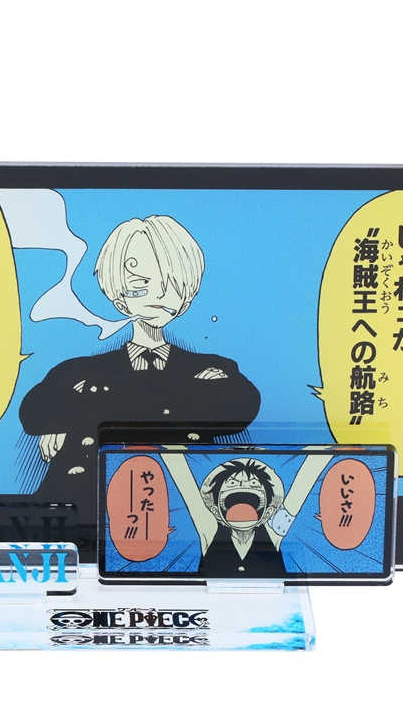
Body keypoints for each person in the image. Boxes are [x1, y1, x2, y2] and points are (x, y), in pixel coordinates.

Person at [19, 215, 260, 547]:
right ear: (119, 296)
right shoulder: (78, 370)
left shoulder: (212, 367)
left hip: (179, 518)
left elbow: (241, 408)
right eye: (142, 284)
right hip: (83, 520)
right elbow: (33, 414)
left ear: (186, 295)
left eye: (170, 285)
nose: (158, 295)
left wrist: (83, 414)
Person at [160, 452, 332, 577]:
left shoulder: (274, 530)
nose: (242, 484)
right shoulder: (210, 530)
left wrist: (328, 447)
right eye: (232, 483)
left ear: (269, 510)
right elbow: (187, 486)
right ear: (215, 509)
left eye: (254, 484)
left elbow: (302, 485)